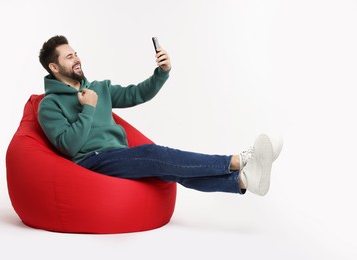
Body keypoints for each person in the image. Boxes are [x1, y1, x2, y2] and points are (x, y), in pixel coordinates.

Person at [38, 35, 283, 196]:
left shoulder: (98, 88)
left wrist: (161, 73)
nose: (77, 59)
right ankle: (239, 160)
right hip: (92, 161)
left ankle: (244, 180)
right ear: (54, 67)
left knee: (169, 169)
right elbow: (69, 146)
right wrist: (88, 108)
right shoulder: (49, 105)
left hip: (119, 155)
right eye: (69, 57)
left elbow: (136, 94)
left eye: (76, 53)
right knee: (153, 153)